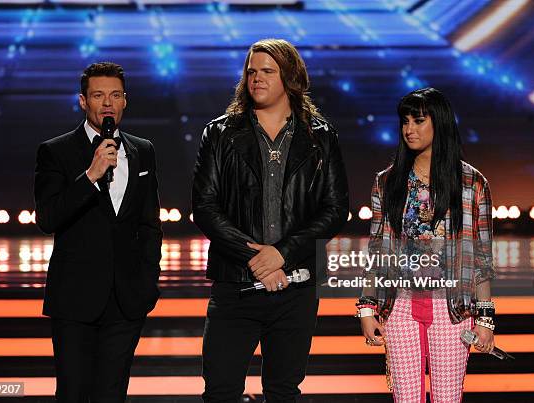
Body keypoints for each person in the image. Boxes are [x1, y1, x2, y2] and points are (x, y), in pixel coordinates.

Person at [192, 38, 349, 402]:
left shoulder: (321, 137)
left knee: (283, 391)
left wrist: (283, 254)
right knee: (220, 391)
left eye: (267, 71)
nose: (257, 79)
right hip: (235, 287)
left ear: (290, 77)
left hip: (297, 289)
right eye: (251, 72)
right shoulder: (219, 134)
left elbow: (334, 209)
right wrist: (258, 260)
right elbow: (205, 207)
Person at [34, 62, 162, 402]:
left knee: (112, 393)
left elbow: (149, 224)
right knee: (74, 392)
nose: (107, 103)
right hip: (75, 299)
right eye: (98, 95)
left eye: (115, 95)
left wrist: (149, 280)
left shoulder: (143, 150)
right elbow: (48, 218)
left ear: (125, 101)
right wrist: (90, 175)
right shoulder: (55, 151)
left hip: (127, 300)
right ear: (82, 101)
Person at [358, 87, 496, 402]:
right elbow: (378, 249)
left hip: (454, 309)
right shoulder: (387, 182)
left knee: (448, 397)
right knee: (406, 397)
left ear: (440, 123)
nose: (409, 129)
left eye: (419, 120)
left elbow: (482, 257)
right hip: (400, 305)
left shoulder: (473, 184)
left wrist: (486, 319)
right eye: (405, 121)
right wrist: (367, 307)